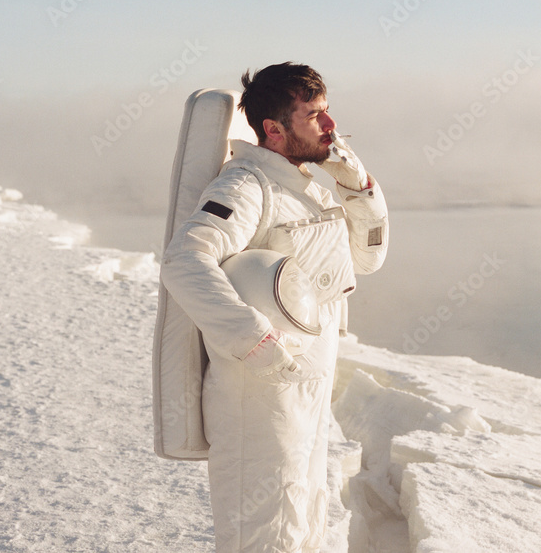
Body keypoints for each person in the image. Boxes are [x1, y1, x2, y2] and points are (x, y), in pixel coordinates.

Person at [160, 63, 388, 553]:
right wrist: (254, 341)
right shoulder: (246, 187)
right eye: (315, 116)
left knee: (306, 527)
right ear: (274, 129)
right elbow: (184, 260)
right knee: (264, 539)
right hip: (259, 401)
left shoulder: (307, 190)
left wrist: (356, 184)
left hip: (307, 394)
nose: (331, 126)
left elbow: (367, 258)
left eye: (328, 112)